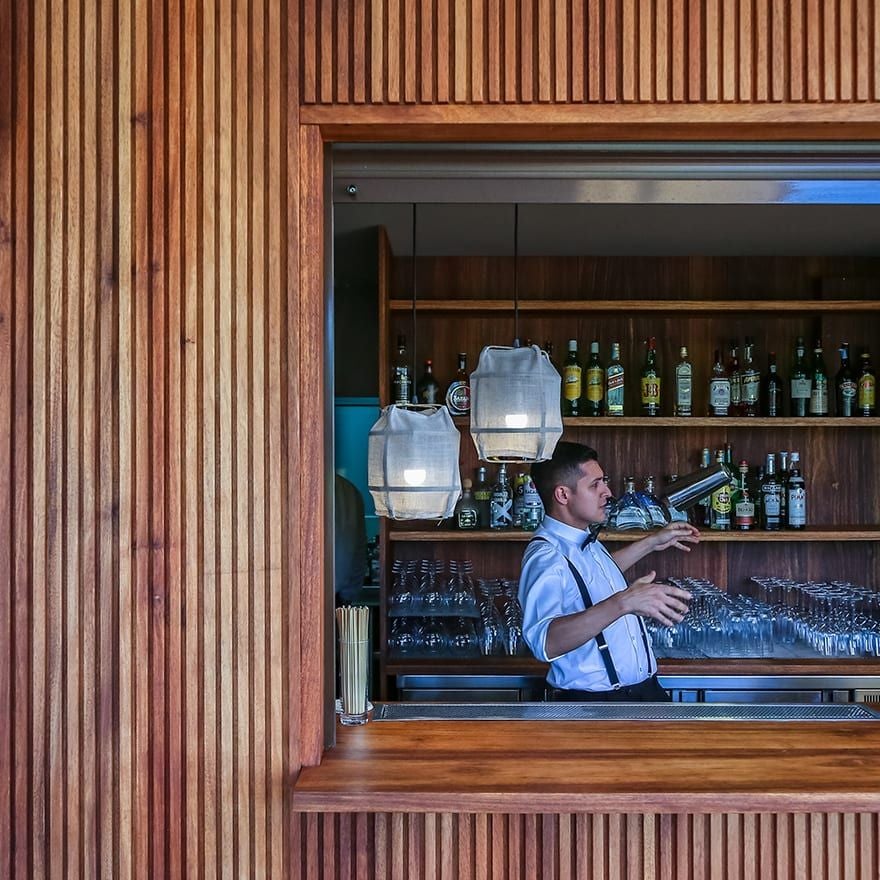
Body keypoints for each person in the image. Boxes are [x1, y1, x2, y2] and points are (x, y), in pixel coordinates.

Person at [519, 441, 699, 701]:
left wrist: (652, 542)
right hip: (595, 704)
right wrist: (624, 602)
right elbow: (545, 642)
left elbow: (591, 576)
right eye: (595, 485)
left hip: (643, 692)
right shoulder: (546, 556)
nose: (608, 492)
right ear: (563, 495)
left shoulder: (581, 539)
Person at [334, 472, 368, 604]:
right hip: (339, 597)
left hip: (299, 594)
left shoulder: (296, 488)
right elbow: (359, 555)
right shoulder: (349, 491)